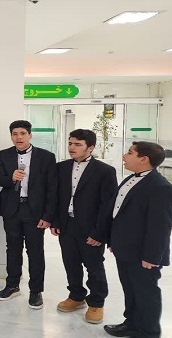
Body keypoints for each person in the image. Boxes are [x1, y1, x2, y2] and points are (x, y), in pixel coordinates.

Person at [104, 142, 172, 338]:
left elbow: (160, 227)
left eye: (130, 153)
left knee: (146, 293)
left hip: (144, 254)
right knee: (130, 289)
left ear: (144, 159)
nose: (124, 156)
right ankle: (132, 323)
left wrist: (152, 256)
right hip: (125, 248)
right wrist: (114, 241)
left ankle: (148, 332)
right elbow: (120, 213)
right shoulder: (130, 178)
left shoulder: (160, 187)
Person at [51, 129, 117, 324]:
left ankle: (96, 302)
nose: (72, 147)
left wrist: (100, 233)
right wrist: (55, 221)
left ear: (91, 148)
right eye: (70, 143)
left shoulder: (105, 171)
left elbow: (108, 205)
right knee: (70, 262)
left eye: (78, 144)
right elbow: (55, 197)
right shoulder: (61, 167)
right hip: (67, 224)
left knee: (93, 265)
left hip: (91, 227)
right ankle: (76, 296)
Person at [0, 120, 57, 310]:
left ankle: (36, 291)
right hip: (12, 209)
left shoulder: (46, 157)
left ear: (30, 135)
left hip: (34, 211)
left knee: (35, 251)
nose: (18, 137)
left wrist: (48, 216)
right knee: (12, 249)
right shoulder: (4, 154)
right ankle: (12, 285)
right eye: (15, 134)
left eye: (22, 133)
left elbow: (52, 189)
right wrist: (10, 178)